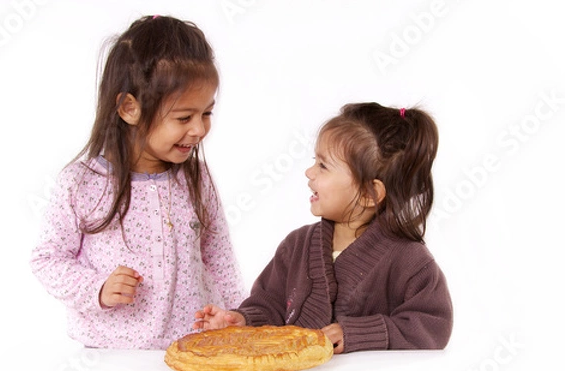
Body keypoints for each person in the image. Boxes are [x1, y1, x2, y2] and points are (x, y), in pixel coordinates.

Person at [30, 15, 246, 349]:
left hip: (192, 346)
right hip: (112, 355)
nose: (199, 130)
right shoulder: (81, 183)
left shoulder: (197, 177)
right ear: (130, 108)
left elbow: (218, 255)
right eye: (184, 117)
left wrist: (237, 316)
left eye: (207, 113)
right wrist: (96, 288)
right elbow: (47, 259)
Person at [194, 102, 453, 354]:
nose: (309, 172)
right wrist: (242, 320)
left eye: (323, 165)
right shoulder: (297, 246)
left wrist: (359, 333)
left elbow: (432, 326)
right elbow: (269, 304)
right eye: (313, 161)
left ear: (369, 192)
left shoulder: (410, 262)